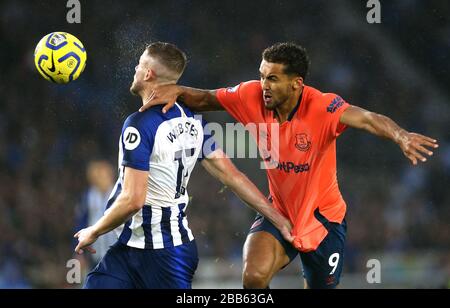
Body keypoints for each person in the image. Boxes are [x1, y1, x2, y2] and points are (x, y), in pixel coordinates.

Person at [139, 42, 439, 289]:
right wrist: (176, 91)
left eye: (272, 79)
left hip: (324, 219)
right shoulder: (250, 95)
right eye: (261, 75)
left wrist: (400, 135)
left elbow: (368, 118)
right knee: (253, 278)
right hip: (278, 211)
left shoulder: (322, 106)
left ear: (296, 84)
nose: (263, 85)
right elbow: (205, 99)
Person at [73, 42, 293, 289]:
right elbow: (233, 177)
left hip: (163, 256)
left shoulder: (138, 124)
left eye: (139, 65)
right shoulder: (193, 121)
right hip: (130, 250)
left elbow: (133, 199)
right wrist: (277, 217)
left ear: (148, 74)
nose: (135, 69)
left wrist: (93, 230)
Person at [74, 160, 117, 274]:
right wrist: (79, 252)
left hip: (117, 250)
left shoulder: (119, 194)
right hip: (95, 252)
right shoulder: (88, 196)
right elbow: (81, 223)